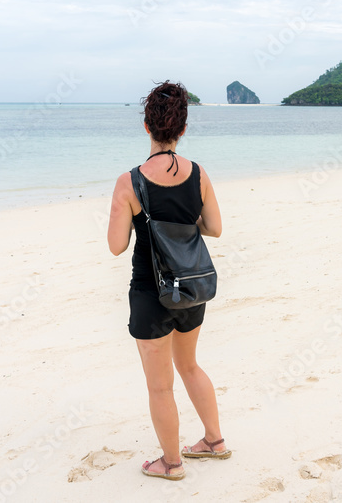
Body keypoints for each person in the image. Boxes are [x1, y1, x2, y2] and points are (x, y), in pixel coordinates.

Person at [107, 81, 231, 481]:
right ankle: (213, 441)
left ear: (147, 127)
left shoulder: (130, 182)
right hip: (192, 286)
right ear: (182, 130)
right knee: (190, 365)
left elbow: (115, 246)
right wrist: (180, 222)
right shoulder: (199, 175)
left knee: (160, 386)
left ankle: (171, 463)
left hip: (151, 293)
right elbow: (214, 228)